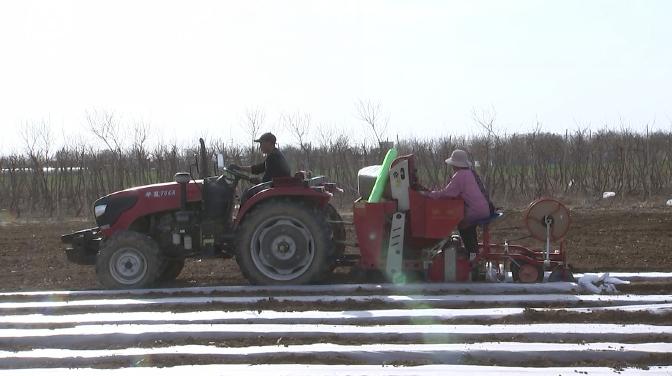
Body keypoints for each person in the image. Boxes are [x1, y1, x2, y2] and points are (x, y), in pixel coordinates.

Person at [422, 149, 493, 257]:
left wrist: (427, 194)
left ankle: (472, 256)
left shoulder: (460, 175)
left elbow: (447, 193)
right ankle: (473, 252)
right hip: (485, 208)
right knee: (465, 223)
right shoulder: (470, 172)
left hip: (476, 210)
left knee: (462, 224)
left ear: (455, 165)